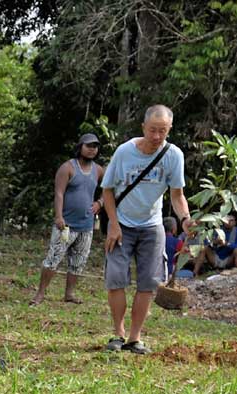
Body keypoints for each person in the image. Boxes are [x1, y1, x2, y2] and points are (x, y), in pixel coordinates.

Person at [100, 105, 192, 355]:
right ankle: (117, 333)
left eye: (162, 131)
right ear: (143, 128)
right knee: (116, 279)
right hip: (121, 224)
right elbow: (107, 190)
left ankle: (134, 337)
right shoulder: (124, 152)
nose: (156, 136)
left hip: (152, 226)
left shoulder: (174, 156)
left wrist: (185, 219)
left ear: (169, 129)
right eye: (152, 130)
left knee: (148, 284)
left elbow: (177, 194)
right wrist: (114, 225)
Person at [32, 133, 104, 305]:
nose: (92, 149)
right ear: (80, 147)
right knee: (53, 259)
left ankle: (69, 294)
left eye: (95, 146)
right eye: (88, 146)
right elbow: (59, 193)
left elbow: (110, 189)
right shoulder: (68, 167)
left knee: (78, 261)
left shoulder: (99, 170)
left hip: (86, 225)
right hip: (66, 224)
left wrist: (99, 203)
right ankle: (40, 293)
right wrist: (58, 216)